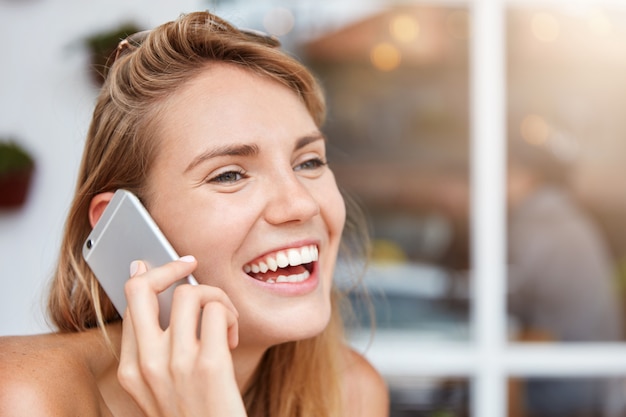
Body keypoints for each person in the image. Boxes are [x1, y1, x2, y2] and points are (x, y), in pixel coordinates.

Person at [0, 11, 388, 417]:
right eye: (230, 174)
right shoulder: (24, 396)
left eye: (309, 162)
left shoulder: (351, 394)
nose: (302, 204)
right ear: (122, 222)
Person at [507, 137, 623, 417]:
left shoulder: (543, 228)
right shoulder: (563, 220)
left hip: (571, 396)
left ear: (526, 177)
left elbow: (541, 334)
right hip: (584, 388)